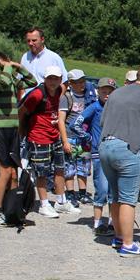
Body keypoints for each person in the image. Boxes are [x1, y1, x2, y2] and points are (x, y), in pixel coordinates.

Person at [98, 66, 140, 257]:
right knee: (128, 198)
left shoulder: (116, 93)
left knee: (115, 195)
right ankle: (128, 244)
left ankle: (118, 237)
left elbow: (102, 122)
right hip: (127, 149)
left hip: (105, 147)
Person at [0, 52, 36, 226]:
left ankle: (12, 209)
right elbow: (3, 82)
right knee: (5, 173)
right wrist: (5, 68)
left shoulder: (11, 79)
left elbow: (32, 82)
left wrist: (20, 68)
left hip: (12, 130)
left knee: (14, 173)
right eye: (2, 65)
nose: (7, 67)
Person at [20, 65, 78, 219]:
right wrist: (22, 132)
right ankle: (44, 204)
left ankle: (61, 201)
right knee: (42, 172)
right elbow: (22, 112)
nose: (53, 82)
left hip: (54, 135)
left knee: (60, 169)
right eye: (50, 78)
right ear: (45, 79)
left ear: (60, 79)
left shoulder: (60, 90)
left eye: (56, 78)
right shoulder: (37, 94)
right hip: (39, 137)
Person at [70, 78, 116, 235]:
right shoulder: (94, 107)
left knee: (113, 191)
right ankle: (97, 223)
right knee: (101, 189)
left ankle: (112, 223)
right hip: (99, 154)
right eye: (104, 91)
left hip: (115, 154)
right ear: (98, 92)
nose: (107, 95)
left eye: (110, 92)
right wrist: (88, 137)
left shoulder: (118, 109)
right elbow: (74, 124)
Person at [58, 69, 95, 205]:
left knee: (84, 166)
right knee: (69, 167)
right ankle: (70, 193)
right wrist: (65, 141)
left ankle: (83, 193)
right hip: (70, 136)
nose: (81, 84)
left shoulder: (89, 97)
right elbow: (61, 120)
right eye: (77, 82)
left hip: (84, 138)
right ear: (70, 83)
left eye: (83, 81)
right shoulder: (66, 98)